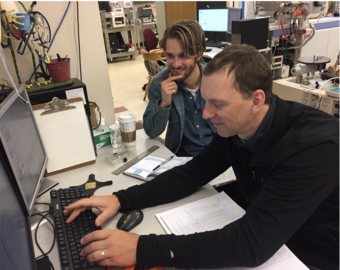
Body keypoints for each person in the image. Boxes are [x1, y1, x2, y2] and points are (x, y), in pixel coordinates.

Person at [64, 44, 339, 270]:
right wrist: (121, 199)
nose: (206, 114)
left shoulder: (314, 147)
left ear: (256, 100)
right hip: (271, 230)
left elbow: (251, 245)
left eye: (217, 104)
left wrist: (142, 248)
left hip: (312, 251)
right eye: (206, 100)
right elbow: (193, 173)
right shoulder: (237, 127)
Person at [142, 20, 216, 157]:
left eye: (183, 55)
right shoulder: (159, 83)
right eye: (170, 56)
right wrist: (164, 104)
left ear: (198, 54)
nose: (176, 64)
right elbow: (151, 131)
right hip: (181, 158)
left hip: (219, 156)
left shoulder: (217, 79)